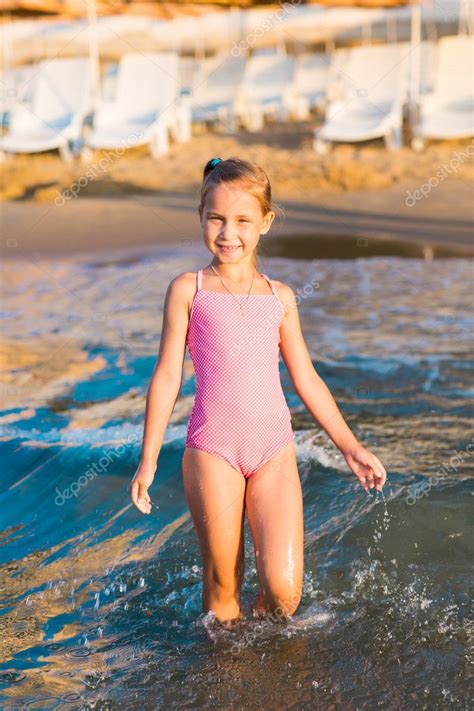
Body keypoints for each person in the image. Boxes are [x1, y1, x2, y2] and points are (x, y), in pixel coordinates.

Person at [130, 156, 387, 626]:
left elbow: (306, 378)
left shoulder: (281, 297)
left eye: (243, 221)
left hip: (273, 450)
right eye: (216, 219)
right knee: (224, 582)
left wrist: (350, 447)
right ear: (201, 218)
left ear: (265, 222)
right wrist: (148, 460)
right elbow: (167, 374)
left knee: (285, 591)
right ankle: (228, 673)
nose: (228, 233)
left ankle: (261, 646)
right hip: (213, 450)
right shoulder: (189, 289)